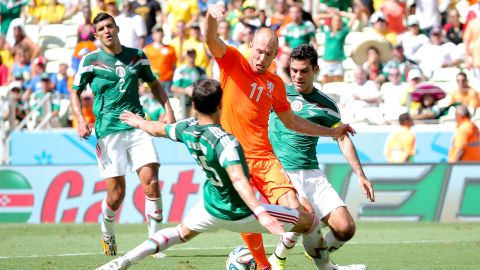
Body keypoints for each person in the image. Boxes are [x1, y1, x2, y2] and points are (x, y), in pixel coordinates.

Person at [96, 79, 327, 270]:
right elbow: (238, 179)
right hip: (241, 213)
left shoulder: (187, 128)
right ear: (220, 105)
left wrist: (139, 122)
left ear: (194, 106)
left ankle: (122, 262)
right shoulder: (226, 142)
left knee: (178, 233)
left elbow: (159, 129)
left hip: (209, 207)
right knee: (311, 221)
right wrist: (260, 212)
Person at [204, 4, 356, 269]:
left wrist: (331, 132)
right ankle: (264, 265)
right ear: (250, 46)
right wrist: (210, 16)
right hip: (232, 157)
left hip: (264, 159)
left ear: (275, 54)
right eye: (259, 51)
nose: (262, 58)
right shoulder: (232, 61)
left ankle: (285, 258)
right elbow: (210, 39)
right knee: (245, 213)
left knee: (300, 213)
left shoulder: (274, 84)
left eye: (269, 53)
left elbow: (293, 121)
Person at [70, 12, 175, 257]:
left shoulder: (137, 56)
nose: (107, 31)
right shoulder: (91, 60)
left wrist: (168, 108)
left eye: (110, 26)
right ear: (96, 35)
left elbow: (154, 84)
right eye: (101, 29)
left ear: (117, 28)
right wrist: (80, 120)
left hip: (138, 126)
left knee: (151, 181)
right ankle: (107, 230)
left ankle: (154, 242)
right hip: (108, 131)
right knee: (116, 195)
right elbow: (74, 92)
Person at [268, 44, 375, 270]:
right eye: (294, 70)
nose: (297, 76)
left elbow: (342, 138)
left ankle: (318, 253)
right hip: (282, 171)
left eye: (304, 70)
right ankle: (277, 258)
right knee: (305, 213)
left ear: (315, 70)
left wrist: (360, 175)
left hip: (312, 173)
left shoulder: (326, 105)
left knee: (346, 228)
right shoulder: (278, 92)